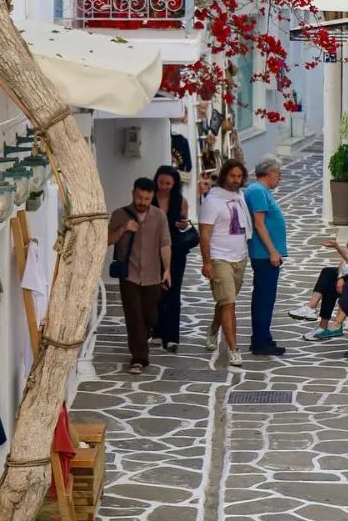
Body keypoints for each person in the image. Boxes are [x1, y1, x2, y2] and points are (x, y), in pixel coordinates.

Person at [107, 177, 171, 375]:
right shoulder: (120, 214)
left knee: (151, 315)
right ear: (133, 193)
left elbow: (165, 244)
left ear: (152, 197)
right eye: (139, 197)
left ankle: (147, 332)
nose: (142, 202)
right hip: (130, 275)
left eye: (146, 198)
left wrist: (167, 269)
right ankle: (139, 358)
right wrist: (124, 228)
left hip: (153, 275)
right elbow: (106, 240)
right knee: (134, 316)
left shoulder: (159, 216)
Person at [291, 203, 348, 338]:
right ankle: (316, 316)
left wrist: (337, 246)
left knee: (329, 279)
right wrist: (340, 277)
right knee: (330, 277)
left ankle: (316, 314)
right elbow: (345, 259)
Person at [199, 159, 251, 367]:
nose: (236, 180)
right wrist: (206, 262)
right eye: (232, 176)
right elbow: (204, 233)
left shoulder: (239, 197)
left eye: (239, 177)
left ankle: (213, 329)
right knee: (229, 302)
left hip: (240, 257)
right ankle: (233, 349)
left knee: (225, 302)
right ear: (224, 176)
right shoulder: (212, 201)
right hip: (220, 257)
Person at [244, 156, 287, 357]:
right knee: (264, 299)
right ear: (270, 173)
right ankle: (261, 341)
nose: (280, 178)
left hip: (266, 254)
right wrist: (272, 251)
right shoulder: (258, 191)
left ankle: (263, 337)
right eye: (279, 173)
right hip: (263, 255)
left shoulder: (259, 191)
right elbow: (259, 224)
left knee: (265, 298)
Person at [151, 164, 194, 353]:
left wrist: (183, 224)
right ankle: (157, 331)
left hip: (176, 250)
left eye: (168, 183)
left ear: (174, 183)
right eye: (161, 182)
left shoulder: (180, 200)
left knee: (173, 292)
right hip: (152, 249)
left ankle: (172, 337)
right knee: (155, 292)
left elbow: (184, 224)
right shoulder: (150, 198)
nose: (164, 186)